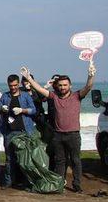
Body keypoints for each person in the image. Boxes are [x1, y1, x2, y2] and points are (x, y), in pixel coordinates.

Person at [21, 62, 96, 193]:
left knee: (75, 161)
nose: (62, 87)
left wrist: (90, 75)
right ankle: (59, 184)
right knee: (60, 161)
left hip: (73, 134)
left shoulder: (77, 96)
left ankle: (77, 184)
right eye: (60, 85)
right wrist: (29, 78)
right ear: (57, 86)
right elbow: (39, 89)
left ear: (70, 85)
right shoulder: (54, 96)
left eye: (65, 85)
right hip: (58, 135)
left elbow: (88, 87)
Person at [0, 74, 37, 190]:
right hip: (9, 132)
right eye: (10, 85)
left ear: (18, 84)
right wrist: (1, 109)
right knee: (9, 159)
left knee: (25, 158)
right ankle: (9, 182)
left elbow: (34, 110)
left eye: (15, 85)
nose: (13, 87)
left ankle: (27, 182)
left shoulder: (25, 96)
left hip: (24, 131)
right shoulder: (5, 96)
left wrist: (22, 110)